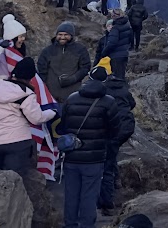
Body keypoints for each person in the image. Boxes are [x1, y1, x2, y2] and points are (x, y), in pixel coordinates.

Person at [60, 66, 133, 228]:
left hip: (72, 155)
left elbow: (63, 126)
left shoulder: (71, 99)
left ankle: (70, 224)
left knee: (71, 194)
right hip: (95, 157)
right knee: (89, 195)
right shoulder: (108, 102)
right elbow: (115, 129)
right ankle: (86, 225)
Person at [0, 57, 56, 179]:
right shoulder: (26, 94)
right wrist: (52, 112)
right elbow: (36, 118)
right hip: (17, 143)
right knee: (15, 181)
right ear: (30, 77)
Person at [96, 60, 136, 215]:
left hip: (110, 130)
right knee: (111, 156)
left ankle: (106, 201)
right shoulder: (122, 87)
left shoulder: (102, 90)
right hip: (126, 128)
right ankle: (116, 180)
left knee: (105, 164)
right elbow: (132, 104)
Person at [37, 21, 92, 105]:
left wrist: (74, 78)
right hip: (51, 95)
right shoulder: (48, 51)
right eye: (60, 34)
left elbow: (85, 67)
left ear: (71, 35)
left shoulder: (80, 50)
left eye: (66, 34)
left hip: (73, 94)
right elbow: (42, 69)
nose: (62, 37)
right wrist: (45, 88)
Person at [96, 9, 134, 80]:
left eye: (113, 15)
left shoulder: (115, 28)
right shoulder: (127, 26)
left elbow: (112, 43)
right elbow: (131, 39)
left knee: (116, 78)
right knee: (121, 76)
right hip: (124, 54)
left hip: (115, 56)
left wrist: (104, 52)